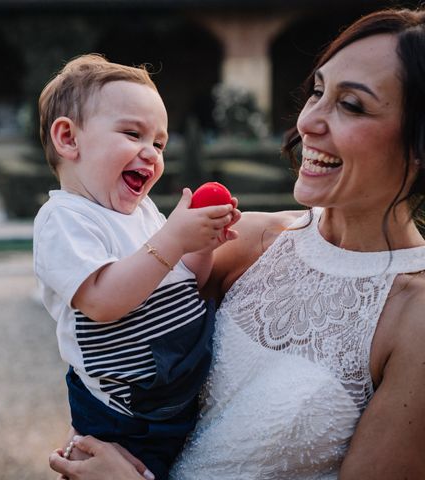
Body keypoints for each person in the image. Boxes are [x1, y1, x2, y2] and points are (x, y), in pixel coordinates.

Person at [49, 7, 425, 479]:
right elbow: (120, 342)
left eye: (351, 105)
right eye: (317, 91)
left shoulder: (416, 321)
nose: (307, 121)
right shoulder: (249, 238)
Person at [33, 54, 241, 480]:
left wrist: (202, 247)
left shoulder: (143, 212)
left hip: (172, 397)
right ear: (69, 139)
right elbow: (104, 302)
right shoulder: (65, 220)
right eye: (133, 133)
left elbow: (187, 282)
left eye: (160, 143)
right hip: (126, 416)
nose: (151, 152)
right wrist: (175, 237)